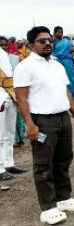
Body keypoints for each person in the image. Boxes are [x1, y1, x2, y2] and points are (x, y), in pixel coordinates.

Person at [13, 26, 74, 224]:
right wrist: (30, 125)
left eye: (49, 40)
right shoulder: (25, 67)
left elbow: (66, 91)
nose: (47, 44)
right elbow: (21, 99)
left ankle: (63, 198)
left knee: (63, 159)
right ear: (30, 45)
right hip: (42, 120)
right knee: (43, 163)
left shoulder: (56, 65)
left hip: (62, 117)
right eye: (42, 41)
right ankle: (47, 207)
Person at [0, 37, 27, 183]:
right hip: (1, 96)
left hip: (10, 93)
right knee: (0, 134)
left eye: (5, 44)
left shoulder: (6, 55)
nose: (4, 47)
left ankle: (9, 163)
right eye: (1, 45)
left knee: (9, 132)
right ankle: (0, 168)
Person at [52, 27, 74, 101]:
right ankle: (65, 96)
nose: (60, 34)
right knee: (60, 79)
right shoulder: (52, 42)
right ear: (55, 33)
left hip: (67, 62)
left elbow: (72, 51)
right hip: (57, 62)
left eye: (61, 32)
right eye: (59, 32)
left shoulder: (66, 41)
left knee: (71, 77)